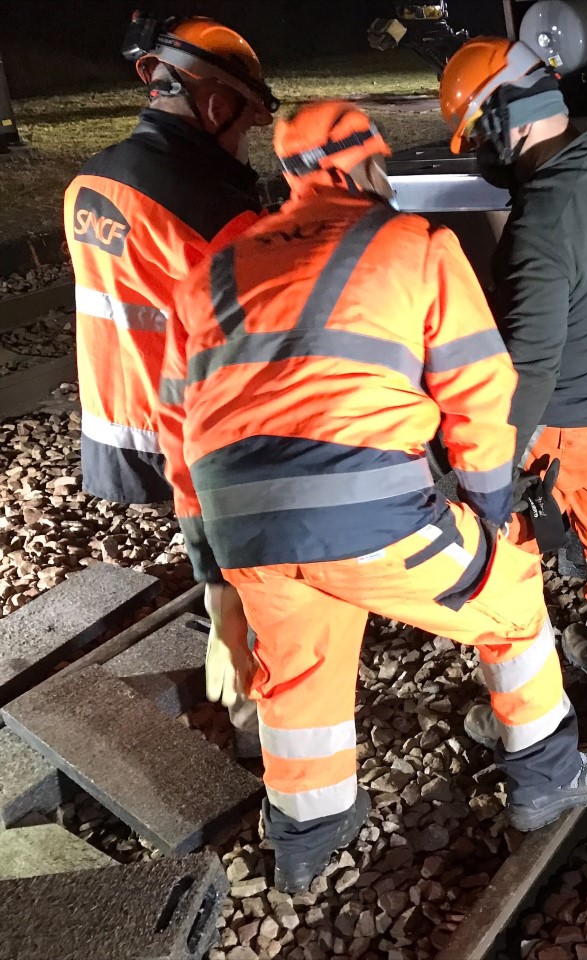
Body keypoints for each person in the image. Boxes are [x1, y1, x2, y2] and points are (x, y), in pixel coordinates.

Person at [157, 100, 587, 894]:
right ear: (370, 164)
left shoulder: (215, 271)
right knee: (511, 600)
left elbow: (177, 429)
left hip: (245, 530)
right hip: (370, 510)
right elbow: (482, 390)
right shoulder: (414, 244)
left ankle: (309, 833)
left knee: (298, 668)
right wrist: (489, 511)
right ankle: (546, 775)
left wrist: (213, 570)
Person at [64, 13, 277, 754]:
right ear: (217, 107)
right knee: (244, 566)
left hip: (116, 415)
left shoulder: (89, 179)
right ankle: (263, 722)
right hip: (192, 423)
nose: (247, 139)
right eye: (247, 122)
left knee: (215, 553)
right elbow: (245, 343)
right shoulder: (212, 210)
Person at [438, 39, 587, 698]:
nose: (483, 151)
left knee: (510, 549)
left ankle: (527, 688)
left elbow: (531, 364)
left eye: (481, 132)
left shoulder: (540, 225)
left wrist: (495, 469)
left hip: (562, 423)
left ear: (510, 117)